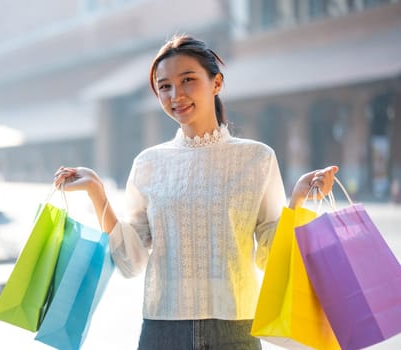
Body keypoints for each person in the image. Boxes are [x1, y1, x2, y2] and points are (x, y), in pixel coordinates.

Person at [53, 34, 338, 350]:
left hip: (235, 331)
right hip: (162, 332)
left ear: (216, 83)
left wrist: (296, 200)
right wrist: (97, 192)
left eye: (188, 80)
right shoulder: (148, 163)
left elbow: (270, 257)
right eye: (165, 86)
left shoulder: (257, 158)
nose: (176, 95)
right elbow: (131, 262)